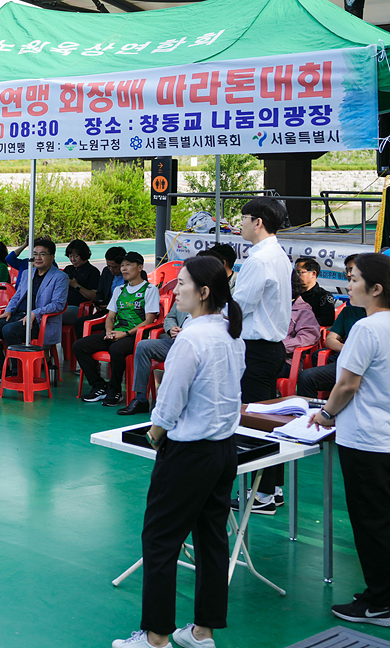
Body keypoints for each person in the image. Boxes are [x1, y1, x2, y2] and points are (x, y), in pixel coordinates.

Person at [112, 256, 245, 648]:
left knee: (160, 541)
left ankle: (155, 637)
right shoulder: (230, 331)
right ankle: (203, 632)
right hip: (223, 451)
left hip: (188, 454)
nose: (175, 289)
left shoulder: (191, 338)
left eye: (182, 283)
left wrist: (155, 435)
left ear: (203, 293)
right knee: (212, 539)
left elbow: (168, 404)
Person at [306, 252, 390, 627]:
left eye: (354, 279)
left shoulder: (368, 329)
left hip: (366, 440)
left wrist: (325, 415)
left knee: (371, 522)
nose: (349, 285)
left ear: (376, 288)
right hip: (383, 437)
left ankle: (380, 603)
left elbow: (347, 384)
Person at [233, 197, 292, 515]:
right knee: (268, 423)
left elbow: (240, 306)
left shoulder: (259, 260)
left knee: (254, 425)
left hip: (256, 351)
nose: (239, 223)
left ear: (258, 222)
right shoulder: (277, 254)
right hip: (270, 350)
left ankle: (262, 495)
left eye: (242, 218)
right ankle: (274, 488)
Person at [75, 251, 159, 405]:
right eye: (122, 265)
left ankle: (115, 391)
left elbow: (149, 320)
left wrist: (125, 333)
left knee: (116, 349)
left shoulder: (149, 290)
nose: (123, 269)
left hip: (137, 336)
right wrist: (108, 331)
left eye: (128, 265)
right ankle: (99, 385)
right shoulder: (119, 290)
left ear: (140, 267)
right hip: (116, 332)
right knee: (79, 345)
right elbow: (111, 317)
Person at [0, 237, 68, 385]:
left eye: (42, 254)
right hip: (17, 316)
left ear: (52, 257)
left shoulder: (60, 277)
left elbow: (58, 304)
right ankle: (1, 368)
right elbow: (17, 295)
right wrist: (8, 310)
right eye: (35, 254)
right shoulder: (28, 273)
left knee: (9, 330)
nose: (37, 258)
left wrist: (35, 312)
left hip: (38, 322)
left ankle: (17, 372)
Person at [298, 254, 365, 398]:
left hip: (368, 366)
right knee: (308, 374)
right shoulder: (350, 309)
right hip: (347, 358)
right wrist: (347, 348)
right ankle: (308, 415)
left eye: (352, 273)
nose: (348, 279)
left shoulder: (323, 296)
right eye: (346, 271)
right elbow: (331, 338)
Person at [118, 304, 189, 417]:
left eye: (181, 284)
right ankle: (141, 399)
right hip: (174, 341)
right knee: (143, 346)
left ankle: (177, 404)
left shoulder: (214, 300)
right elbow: (171, 316)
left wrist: (187, 334)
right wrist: (171, 329)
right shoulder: (184, 295)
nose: (177, 289)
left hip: (195, 344)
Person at [75, 246, 128, 337]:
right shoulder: (106, 272)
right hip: (106, 312)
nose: (111, 269)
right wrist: (99, 304)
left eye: (115, 267)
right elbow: (100, 294)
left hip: (124, 313)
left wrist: (112, 306)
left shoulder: (133, 275)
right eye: (109, 266)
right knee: (80, 323)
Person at [284, 270, 321, 356]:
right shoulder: (263, 306)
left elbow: (308, 337)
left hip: (284, 358)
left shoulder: (303, 310)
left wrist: (280, 347)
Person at [295, 256, 337, 327]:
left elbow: (327, 320)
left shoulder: (323, 296)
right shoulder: (291, 293)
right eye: (295, 272)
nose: (296, 275)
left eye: (300, 272)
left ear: (313, 274)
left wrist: (302, 323)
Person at [64, 240, 103, 309]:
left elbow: (94, 296)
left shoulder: (92, 271)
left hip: (79, 308)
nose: (73, 260)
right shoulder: (68, 269)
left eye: (76, 256)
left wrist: (77, 286)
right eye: (70, 256)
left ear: (83, 255)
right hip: (63, 304)